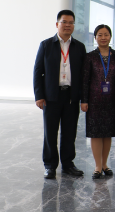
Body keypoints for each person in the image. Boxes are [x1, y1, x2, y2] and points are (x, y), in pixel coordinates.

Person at [33, 10, 86, 179]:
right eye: (64, 22)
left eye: (71, 22)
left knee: (69, 133)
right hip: (51, 96)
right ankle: (50, 166)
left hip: (71, 96)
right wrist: (39, 95)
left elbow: (84, 75)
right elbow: (38, 71)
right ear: (57, 24)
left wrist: (83, 98)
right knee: (50, 132)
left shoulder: (79, 47)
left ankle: (68, 164)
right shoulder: (46, 45)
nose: (67, 25)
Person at [81, 24, 115, 179]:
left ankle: (105, 164)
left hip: (111, 99)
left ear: (110, 36)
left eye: (106, 34)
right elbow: (85, 80)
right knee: (95, 133)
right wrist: (84, 100)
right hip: (94, 99)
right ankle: (97, 166)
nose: (103, 37)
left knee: (108, 133)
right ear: (95, 37)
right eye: (100, 35)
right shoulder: (90, 57)